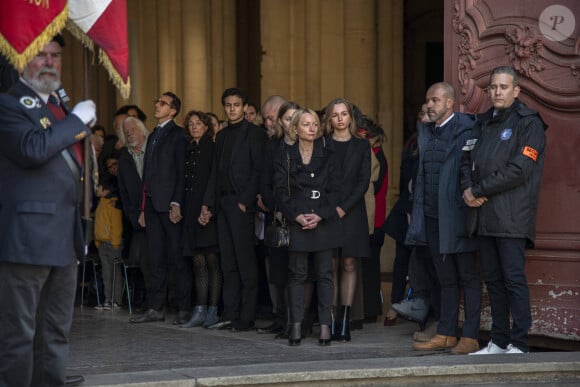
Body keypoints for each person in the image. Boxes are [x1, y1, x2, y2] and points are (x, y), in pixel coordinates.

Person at [0, 35, 96, 386]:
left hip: (64, 238)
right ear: (23, 58)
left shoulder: (59, 107)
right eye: (40, 54)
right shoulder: (9, 104)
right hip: (26, 239)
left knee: (55, 334)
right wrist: (76, 122)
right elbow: (32, 148)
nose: (49, 62)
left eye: (55, 55)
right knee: (18, 337)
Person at [463, 66, 547, 355]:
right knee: (494, 282)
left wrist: (478, 190)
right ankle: (498, 341)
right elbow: (466, 159)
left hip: (511, 217)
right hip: (483, 216)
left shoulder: (529, 123)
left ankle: (520, 342)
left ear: (516, 91)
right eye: (493, 87)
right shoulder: (482, 122)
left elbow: (519, 171)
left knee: (513, 280)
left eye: (503, 87)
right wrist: (467, 190)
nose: (497, 92)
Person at [405, 82, 482, 355]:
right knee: (445, 277)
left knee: (468, 277)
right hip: (432, 217)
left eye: (435, 100)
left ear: (450, 103)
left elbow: (474, 169)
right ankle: (447, 333)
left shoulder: (466, 129)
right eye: (428, 100)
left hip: (458, 217)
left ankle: (470, 336)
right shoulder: (427, 132)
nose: (429, 105)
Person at [273, 108, 342, 346]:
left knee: (324, 274)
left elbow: (335, 190)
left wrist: (320, 215)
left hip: (322, 221)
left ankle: (325, 325)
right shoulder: (286, 154)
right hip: (297, 221)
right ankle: (296, 325)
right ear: (295, 128)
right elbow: (280, 191)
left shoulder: (329, 154)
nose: (312, 128)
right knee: (297, 275)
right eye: (306, 124)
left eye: (315, 124)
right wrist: (296, 216)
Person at [201, 87, 266, 332]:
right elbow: (215, 174)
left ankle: (246, 317)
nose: (231, 109)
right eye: (228, 104)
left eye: (236, 104)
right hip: (223, 204)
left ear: (244, 106)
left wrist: (245, 201)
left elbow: (258, 170)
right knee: (227, 262)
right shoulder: (223, 135)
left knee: (245, 262)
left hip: (241, 205)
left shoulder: (255, 134)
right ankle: (230, 313)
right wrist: (208, 204)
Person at [130, 92, 188, 324]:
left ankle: (184, 307)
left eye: (162, 103)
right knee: (155, 257)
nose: (157, 104)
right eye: (157, 101)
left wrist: (177, 202)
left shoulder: (178, 134)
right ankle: (156, 307)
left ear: (173, 110)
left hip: (170, 204)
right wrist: (144, 207)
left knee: (177, 257)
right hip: (153, 204)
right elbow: (148, 175)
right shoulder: (154, 134)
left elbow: (181, 173)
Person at [323, 98, 371, 342]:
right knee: (330, 265)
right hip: (328, 212)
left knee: (349, 264)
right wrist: (331, 208)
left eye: (344, 114)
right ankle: (330, 320)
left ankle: (345, 320)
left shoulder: (362, 146)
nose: (340, 118)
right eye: (335, 114)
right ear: (329, 120)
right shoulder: (322, 144)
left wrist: (343, 208)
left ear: (351, 118)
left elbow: (363, 183)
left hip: (352, 212)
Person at [258, 100, 300, 337]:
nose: (290, 123)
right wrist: (276, 206)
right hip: (277, 215)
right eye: (286, 119)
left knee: (298, 272)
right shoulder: (273, 146)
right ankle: (282, 318)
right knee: (279, 272)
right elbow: (266, 180)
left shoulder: (310, 145)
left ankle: (297, 320)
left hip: (300, 216)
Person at [180, 111, 222, 328]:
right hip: (190, 211)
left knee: (212, 260)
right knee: (197, 261)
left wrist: (208, 208)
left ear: (207, 126)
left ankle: (213, 310)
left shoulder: (212, 147)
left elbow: (215, 178)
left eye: (199, 123)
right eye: (191, 123)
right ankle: (200, 308)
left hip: (207, 211)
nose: (194, 126)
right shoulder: (189, 149)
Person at [117, 116, 150, 312]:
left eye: (133, 129)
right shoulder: (124, 158)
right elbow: (124, 193)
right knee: (142, 260)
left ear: (142, 130)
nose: (130, 133)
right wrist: (134, 216)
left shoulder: (153, 149)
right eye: (126, 131)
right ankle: (145, 300)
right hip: (137, 220)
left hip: (158, 214)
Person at [93, 153, 124, 311]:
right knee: (106, 274)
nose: (97, 189)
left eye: (99, 187)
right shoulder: (101, 204)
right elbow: (98, 224)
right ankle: (108, 299)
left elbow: (117, 225)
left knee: (115, 274)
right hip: (102, 243)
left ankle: (116, 300)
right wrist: (97, 241)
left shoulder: (113, 204)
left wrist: (115, 242)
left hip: (113, 243)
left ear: (106, 189)